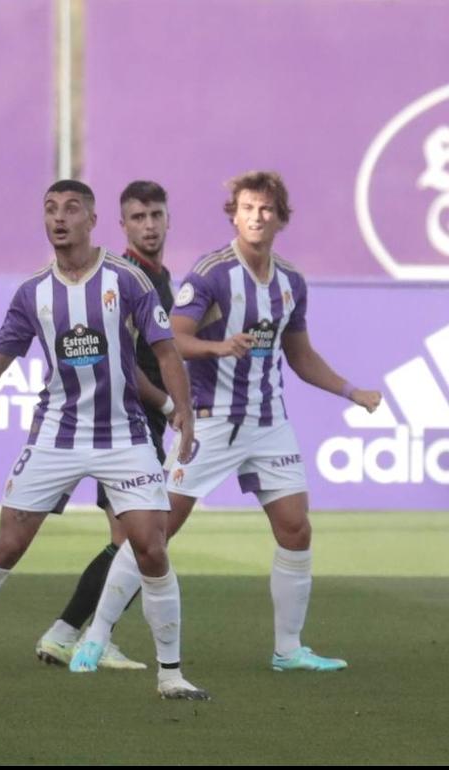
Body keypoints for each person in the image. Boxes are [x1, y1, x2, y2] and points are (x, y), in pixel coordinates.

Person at [0, 180, 210, 701]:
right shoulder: (33, 293)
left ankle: (171, 675)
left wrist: (184, 417)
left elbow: (167, 352)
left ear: (92, 219)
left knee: (151, 547)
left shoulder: (127, 281)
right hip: (56, 437)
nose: (59, 218)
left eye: (71, 209)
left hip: (123, 437)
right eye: (50, 209)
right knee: (7, 546)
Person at [70, 171, 383, 674]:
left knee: (296, 528)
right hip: (211, 422)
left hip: (268, 422)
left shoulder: (290, 283)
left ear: (281, 217)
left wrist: (351, 391)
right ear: (234, 215)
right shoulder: (212, 273)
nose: (257, 217)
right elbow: (173, 337)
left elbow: (300, 356)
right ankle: (96, 634)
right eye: (248, 208)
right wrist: (217, 346)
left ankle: (288, 650)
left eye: (266, 209)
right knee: (155, 533)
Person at [33, 181, 177, 670]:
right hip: (124, 422)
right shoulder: (122, 276)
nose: (149, 226)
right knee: (137, 543)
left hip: (136, 420)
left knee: (134, 541)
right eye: (138, 218)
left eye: (156, 215)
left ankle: (71, 631)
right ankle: (83, 633)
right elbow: (121, 362)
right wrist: (165, 402)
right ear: (119, 225)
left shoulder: (158, 276)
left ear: (168, 220)